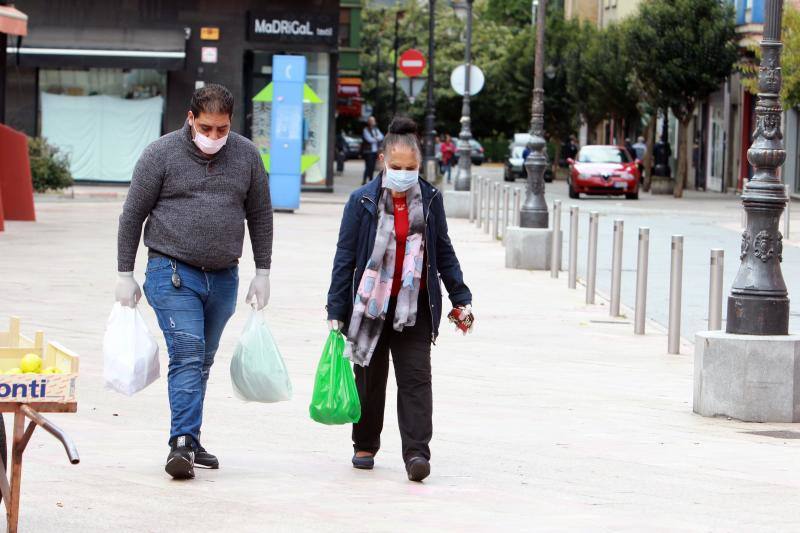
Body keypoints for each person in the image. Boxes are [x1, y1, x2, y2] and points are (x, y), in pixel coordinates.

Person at [115, 84, 273, 480]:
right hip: (172, 271)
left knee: (202, 359)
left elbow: (261, 215)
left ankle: (192, 437)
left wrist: (264, 271)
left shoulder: (247, 156)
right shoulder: (160, 154)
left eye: (222, 129)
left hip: (223, 276)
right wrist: (124, 273)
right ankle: (181, 443)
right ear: (190, 119)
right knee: (188, 352)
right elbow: (132, 214)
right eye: (207, 127)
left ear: (231, 123)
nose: (214, 137)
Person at [326, 116, 474, 483]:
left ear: (419, 166)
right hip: (371, 308)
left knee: (416, 381)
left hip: (415, 308)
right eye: (396, 167)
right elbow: (345, 256)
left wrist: (460, 296)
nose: (403, 174)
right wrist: (336, 309)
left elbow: (443, 251)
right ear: (382, 161)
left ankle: (417, 454)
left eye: (410, 168)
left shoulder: (431, 199)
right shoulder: (360, 200)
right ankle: (364, 444)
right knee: (369, 380)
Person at [362, 116, 384, 185]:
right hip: (368, 151)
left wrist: (375, 138)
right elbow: (369, 139)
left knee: (372, 166)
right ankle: (365, 180)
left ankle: (370, 180)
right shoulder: (365, 130)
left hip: (375, 151)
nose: (373, 122)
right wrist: (376, 138)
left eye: (374, 121)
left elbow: (382, 136)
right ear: (369, 122)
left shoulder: (376, 129)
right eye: (372, 121)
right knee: (368, 166)